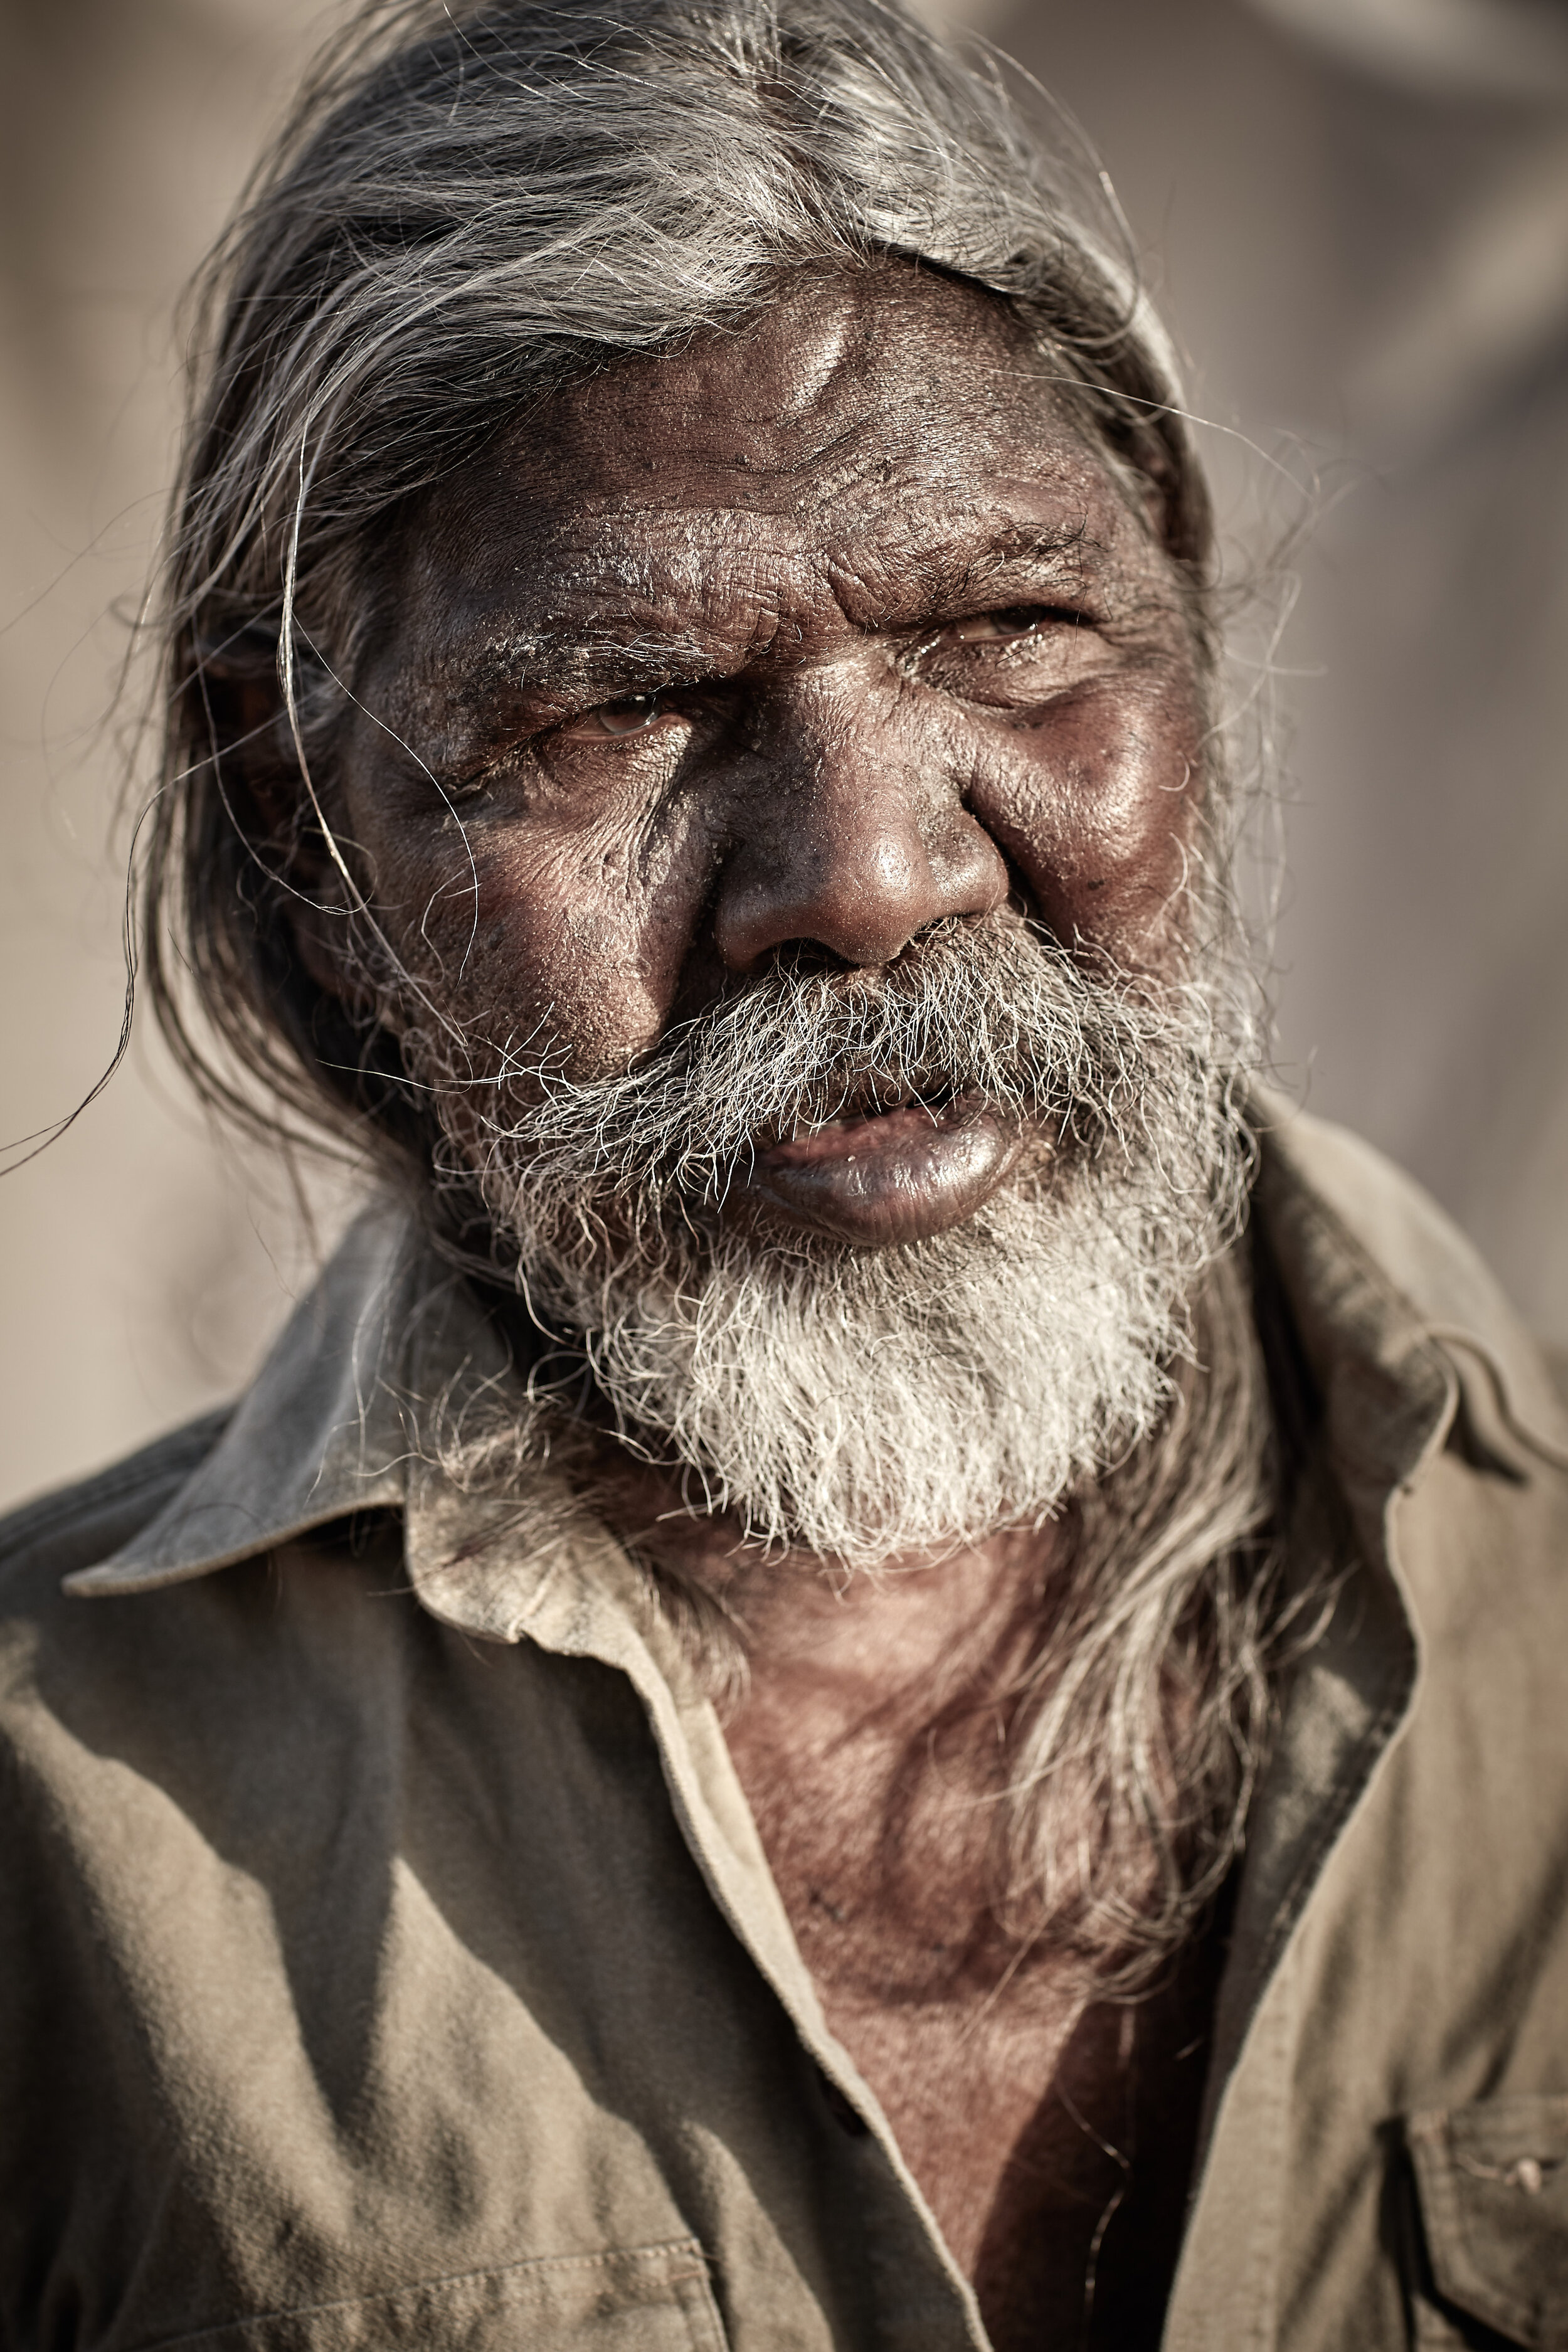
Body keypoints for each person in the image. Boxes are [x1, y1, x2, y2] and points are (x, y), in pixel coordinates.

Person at [3, 2, 1565, 2345]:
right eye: (621, 707)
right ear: (293, 816)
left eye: (1013, 640)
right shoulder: (50, 1854)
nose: (863, 872)